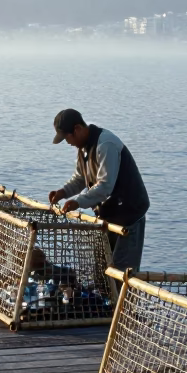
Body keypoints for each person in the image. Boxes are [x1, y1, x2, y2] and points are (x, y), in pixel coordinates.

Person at [47, 108, 149, 272]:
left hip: (129, 217)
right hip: (109, 215)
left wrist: (77, 201)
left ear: (77, 129)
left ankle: (119, 297)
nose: (68, 142)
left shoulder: (106, 144)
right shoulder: (83, 148)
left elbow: (105, 186)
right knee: (102, 269)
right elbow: (80, 178)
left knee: (122, 271)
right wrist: (63, 192)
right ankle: (107, 297)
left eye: (67, 138)